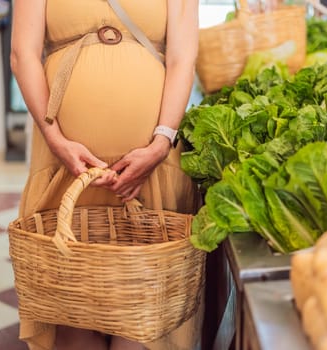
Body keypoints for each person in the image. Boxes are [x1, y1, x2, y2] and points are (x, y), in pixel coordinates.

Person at [10, 1, 202, 349]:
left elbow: (182, 59)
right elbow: (23, 54)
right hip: (64, 167)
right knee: (72, 307)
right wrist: (56, 140)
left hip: (152, 167)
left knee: (143, 318)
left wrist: (161, 143)